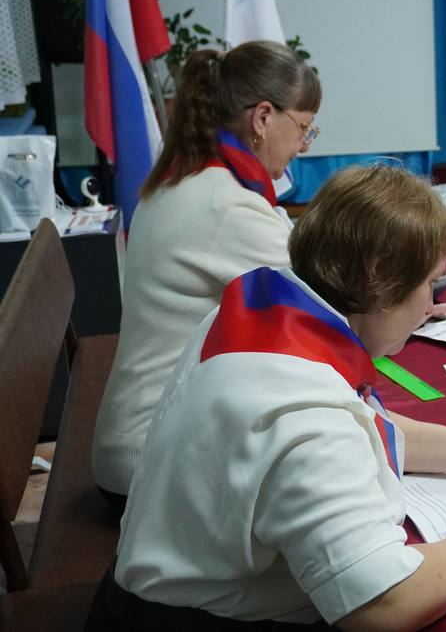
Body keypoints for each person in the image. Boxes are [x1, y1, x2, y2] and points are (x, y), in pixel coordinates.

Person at [85, 164, 446, 631]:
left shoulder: (260, 307)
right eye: (429, 283)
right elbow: (385, 605)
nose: (431, 305)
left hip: (144, 595)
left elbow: (349, 423)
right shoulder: (307, 412)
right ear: (380, 277)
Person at [92, 41, 321, 508]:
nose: (303, 146)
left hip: (142, 434)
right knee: (325, 458)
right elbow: (324, 299)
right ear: (263, 117)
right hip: (149, 458)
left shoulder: (193, 176)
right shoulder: (225, 205)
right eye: (303, 128)